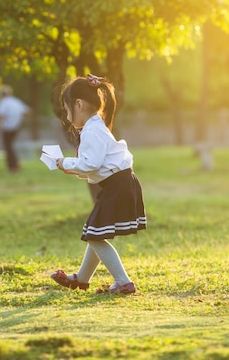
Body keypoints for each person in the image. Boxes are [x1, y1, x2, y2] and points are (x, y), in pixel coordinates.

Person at [50, 74, 147, 294]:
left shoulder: (93, 130)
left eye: (66, 110)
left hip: (118, 186)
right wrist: (76, 169)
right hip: (118, 184)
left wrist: (65, 162)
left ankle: (123, 282)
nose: (66, 116)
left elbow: (91, 164)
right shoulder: (95, 127)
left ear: (79, 105)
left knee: (93, 233)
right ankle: (82, 279)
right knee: (96, 232)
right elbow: (97, 166)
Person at [0, 85, 30, 173]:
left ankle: (13, 166)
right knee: (11, 146)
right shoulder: (16, 101)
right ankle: (15, 164)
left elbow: (1, 116)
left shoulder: (3, 102)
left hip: (7, 128)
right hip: (16, 127)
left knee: (8, 148)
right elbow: (27, 111)